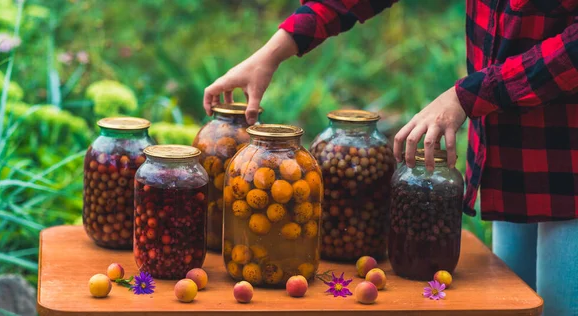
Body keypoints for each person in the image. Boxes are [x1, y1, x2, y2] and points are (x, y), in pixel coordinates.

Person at [203, 1, 578, 314]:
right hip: (512, 162)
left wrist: (469, 96)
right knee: (513, 305)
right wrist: (273, 51)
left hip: (569, 160)